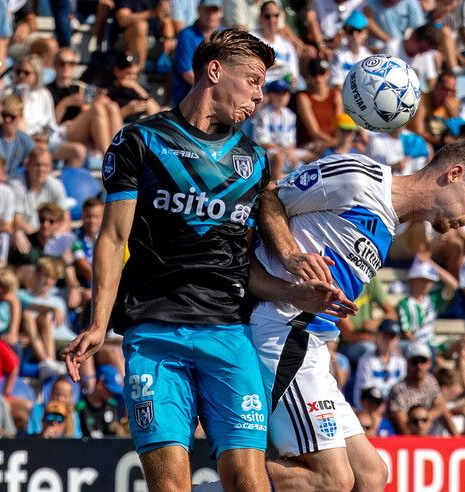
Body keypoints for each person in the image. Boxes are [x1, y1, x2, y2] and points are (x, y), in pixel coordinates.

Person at [62, 29, 356, 492]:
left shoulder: (255, 160)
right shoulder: (140, 141)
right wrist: (99, 324)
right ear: (214, 72)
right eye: (253, 80)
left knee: (249, 482)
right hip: (156, 333)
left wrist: (294, 292)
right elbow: (112, 236)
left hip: (227, 332)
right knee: (170, 486)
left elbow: (242, 262)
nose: (259, 96)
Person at [251, 141, 465, 490]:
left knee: (372, 475)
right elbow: (271, 196)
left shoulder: (389, 224)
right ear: (454, 174)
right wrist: (290, 255)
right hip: (282, 331)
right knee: (331, 479)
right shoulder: (360, 178)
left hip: (315, 347)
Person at [397, 254, 459, 347]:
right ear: (412, 280)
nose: (427, 284)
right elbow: (406, 333)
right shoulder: (404, 303)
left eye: (429, 280)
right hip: (414, 347)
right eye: (423, 280)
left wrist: (432, 264)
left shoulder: (433, 299)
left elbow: (454, 285)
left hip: (431, 345)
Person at [171, 0, 222, 105]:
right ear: (198, 10)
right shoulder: (186, 35)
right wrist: (218, 89)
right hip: (188, 100)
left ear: (221, 12)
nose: (211, 15)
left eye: (215, 10)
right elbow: (187, 73)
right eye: (207, 10)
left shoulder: (224, 35)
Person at [352, 318, 407, 408]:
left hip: (394, 407)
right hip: (372, 406)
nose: (388, 340)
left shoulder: (401, 361)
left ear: (397, 339)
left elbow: (402, 389)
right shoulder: (366, 360)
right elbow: (365, 392)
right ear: (377, 335)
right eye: (385, 335)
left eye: (392, 337)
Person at [0, 96, 35, 177]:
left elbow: (34, 165)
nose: (7, 120)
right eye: (4, 115)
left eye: (12, 117)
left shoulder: (26, 140)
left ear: (20, 117)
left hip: (13, 184)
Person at [76, 364, 126, 438]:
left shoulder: (112, 406)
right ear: (100, 383)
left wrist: (120, 429)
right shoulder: (81, 406)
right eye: (109, 389)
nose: (112, 393)